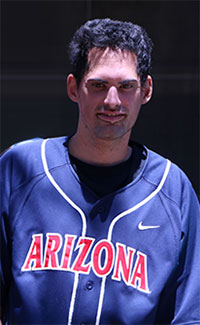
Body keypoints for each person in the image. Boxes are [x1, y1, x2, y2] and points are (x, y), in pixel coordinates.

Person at [1, 18, 199, 325]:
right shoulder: (21, 168)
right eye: (98, 85)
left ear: (145, 90)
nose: (112, 100)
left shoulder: (174, 191)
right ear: (73, 87)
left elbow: (189, 316)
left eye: (126, 86)